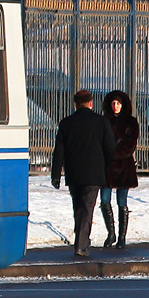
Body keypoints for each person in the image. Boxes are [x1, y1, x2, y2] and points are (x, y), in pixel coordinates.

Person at [51, 89, 116, 257]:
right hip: (94, 174)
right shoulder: (101, 122)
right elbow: (110, 149)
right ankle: (81, 245)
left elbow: (59, 151)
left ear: (75, 104)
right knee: (87, 209)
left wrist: (56, 175)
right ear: (91, 103)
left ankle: (82, 240)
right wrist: (108, 169)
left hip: (74, 174)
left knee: (78, 208)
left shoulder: (66, 123)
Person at [99, 90, 139, 249]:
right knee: (104, 200)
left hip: (124, 167)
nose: (115, 106)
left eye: (118, 103)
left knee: (122, 201)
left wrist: (112, 152)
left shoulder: (131, 122)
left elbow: (130, 146)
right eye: (113, 103)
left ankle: (122, 237)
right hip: (107, 168)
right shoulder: (104, 122)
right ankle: (111, 233)